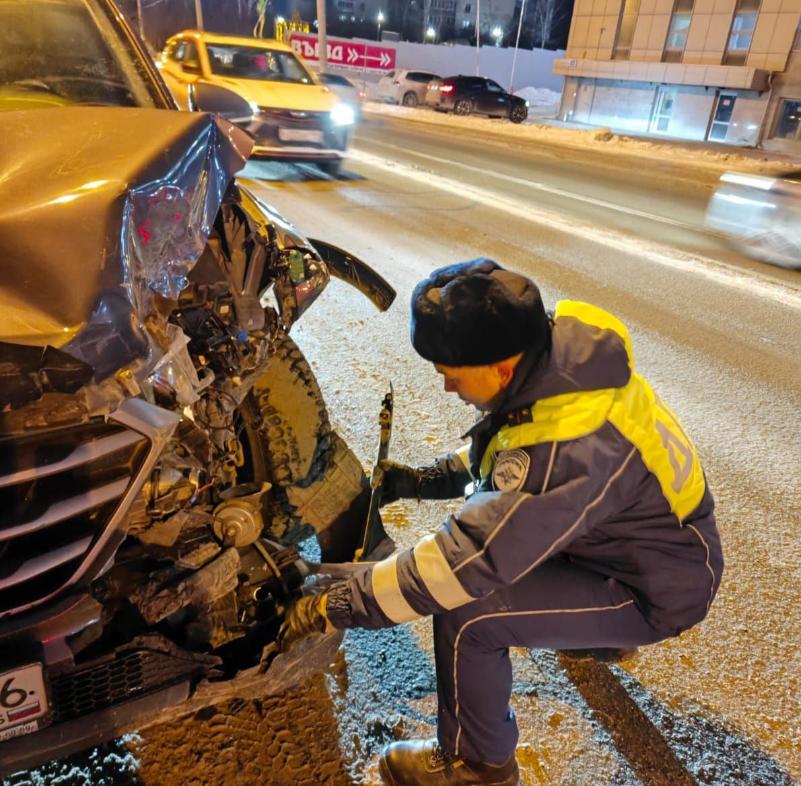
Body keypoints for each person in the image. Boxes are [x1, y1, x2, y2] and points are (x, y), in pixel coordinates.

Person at [280, 258, 723, 786]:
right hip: (631, 547)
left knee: (469, 612)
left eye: (450, 376)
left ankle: (478, 765)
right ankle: (599, 635)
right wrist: (422, 480)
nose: (446, 388)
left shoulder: (569, 447)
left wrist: (334, 607)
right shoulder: (559, 368)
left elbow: (462, 562)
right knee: (504, 547)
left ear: (502, 369)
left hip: (656, 589)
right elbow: (507, 449)